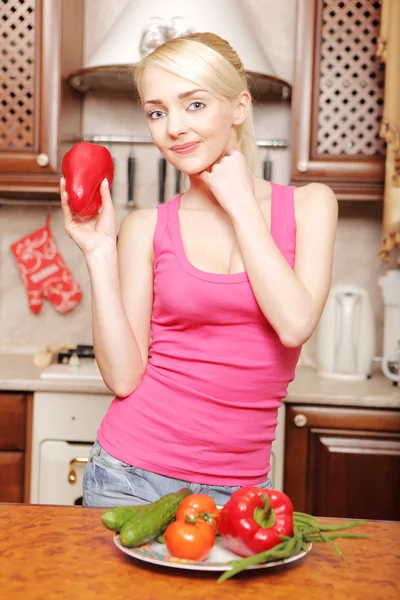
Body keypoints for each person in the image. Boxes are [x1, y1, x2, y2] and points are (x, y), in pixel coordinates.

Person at [60, 33, 337, 508]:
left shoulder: (313, 205)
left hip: (241, 491)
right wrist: (99, 252)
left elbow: (294, 325)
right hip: (129, 476)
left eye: (194, 104)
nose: (173, 129)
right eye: (157, 112)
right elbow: (124, 379)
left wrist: (241, 205)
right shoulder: (146, 227)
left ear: (239, 107)